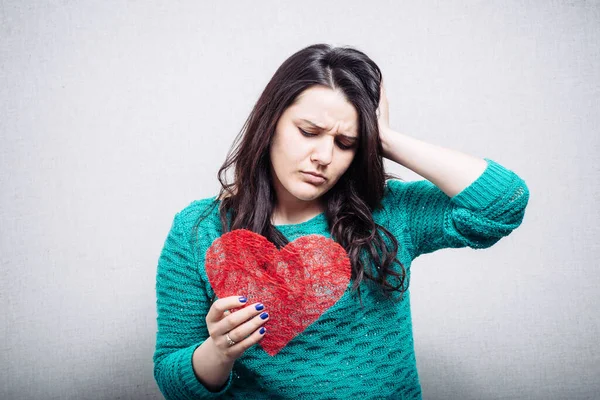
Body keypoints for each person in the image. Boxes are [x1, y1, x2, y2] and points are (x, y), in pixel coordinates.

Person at [153, 43, 530, 399]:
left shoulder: (385, 211)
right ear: (270, 124)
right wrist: (219, 350)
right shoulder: (198, 231)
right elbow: (174, 381)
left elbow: (502, 203)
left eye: (346, 143)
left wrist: (386, 139)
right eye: (308, 132)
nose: (323, 156)